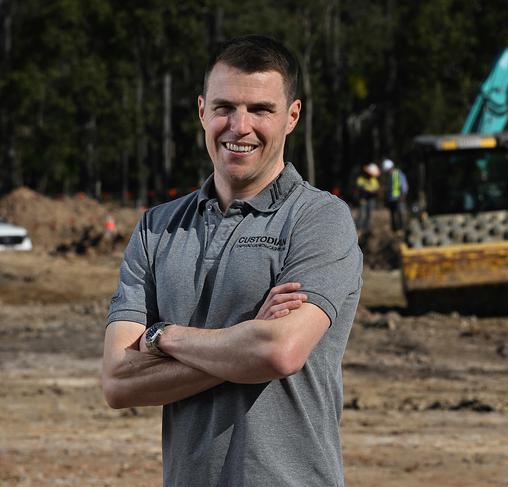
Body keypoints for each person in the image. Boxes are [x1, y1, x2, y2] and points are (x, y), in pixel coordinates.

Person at [102, 35, 363, 487]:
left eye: (261, 109)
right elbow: (119, 383)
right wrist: (243, 343)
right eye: (224, 107)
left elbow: (278, 351)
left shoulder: (321, 219)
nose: (239, 126)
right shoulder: (156, 228)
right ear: (202, 110)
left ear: (292, 117)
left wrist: (162, 336)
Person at [381, 158, 408, 231]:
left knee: (400, 215)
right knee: (393, 215)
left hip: (399, 198)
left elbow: (404, 186)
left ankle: (401, 230)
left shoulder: (398, 174)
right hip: (392, 199)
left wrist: (403, 197)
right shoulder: (390, 176)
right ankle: (395, 230)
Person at [354, 162, 381, 232]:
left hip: (371, 199)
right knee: (361, 214)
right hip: (363, 198)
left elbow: (377, 188)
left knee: (370, 214)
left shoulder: (373, 179)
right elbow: (360, 188)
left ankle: (367, 229)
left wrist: (373, 191)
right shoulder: (361, 178)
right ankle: (357, 228)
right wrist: (369, 190)